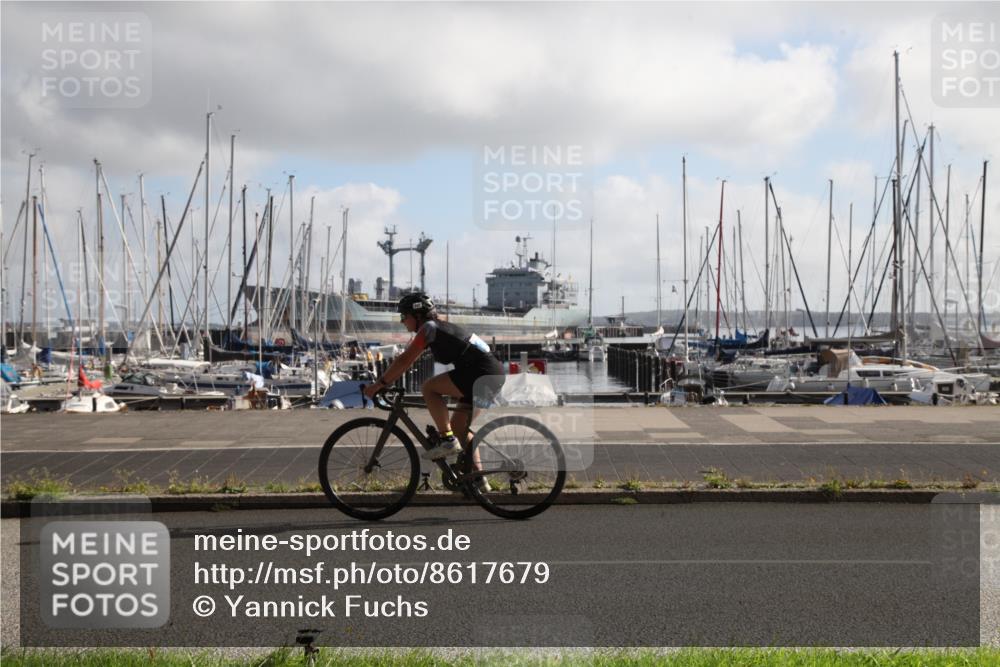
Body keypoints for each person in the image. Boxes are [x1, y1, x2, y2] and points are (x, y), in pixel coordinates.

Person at [363, 292, 505, 465]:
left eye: (404, 316)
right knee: (459, 430)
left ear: (417, 315)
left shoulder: (429, 328)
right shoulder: (439, 327)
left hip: (482, 372)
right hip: (491, 373)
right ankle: (479, 482)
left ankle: (447, 441)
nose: (402, 321)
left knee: (429, 388)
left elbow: (405, 360)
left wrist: (379, 384)